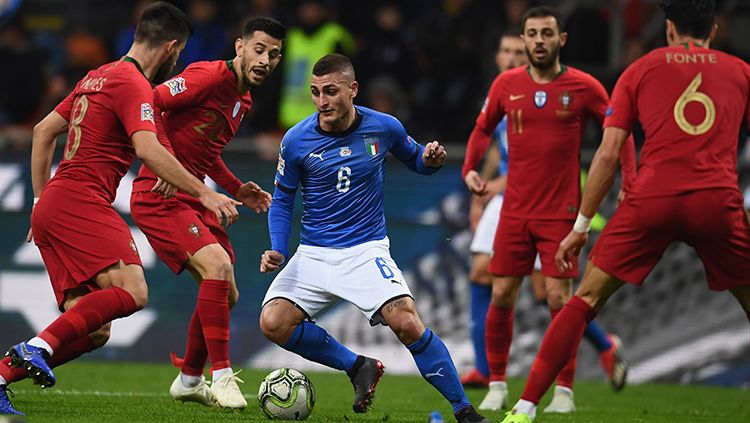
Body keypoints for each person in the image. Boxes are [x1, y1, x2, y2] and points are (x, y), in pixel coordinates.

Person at [501, 1, 750, 422]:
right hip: (717, 202)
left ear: (669, 28)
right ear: (715, 28)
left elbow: (609, 152)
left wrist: (580, 226)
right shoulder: (741, 72)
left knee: (583, 300)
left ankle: (523, 410)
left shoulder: (639, 69)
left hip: (652, 199)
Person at [0, 2, 240, 416]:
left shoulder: (96, 76)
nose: (177, 60)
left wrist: (40, 202)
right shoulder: (133, 82)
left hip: (54, 203)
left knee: (96, 331)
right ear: (171, 47)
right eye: (179, 54)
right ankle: (35, 346)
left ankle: (3, 374)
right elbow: (146, 147)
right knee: (132, 291)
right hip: (81, 199)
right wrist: (204, 193)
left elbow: (43, 132)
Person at [259, 54, 490, 423]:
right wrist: (276, 247)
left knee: (407, 322)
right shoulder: (296, 140)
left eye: (331, 92)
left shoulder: (384, 127)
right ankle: (358, 367)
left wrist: (430, 160)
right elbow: (283, 198)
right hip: (314, 252)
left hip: (365, 250)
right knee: (273, 322)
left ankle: (464, 411)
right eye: (315, 92)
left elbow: (415, 160)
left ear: (352, 90)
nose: (322, 101)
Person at [462, 6, 636, 414]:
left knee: (560, 300)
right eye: (532, 33)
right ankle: (498, 383)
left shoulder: (585, 86)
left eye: (546, 33)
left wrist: (631, 178)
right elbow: (483, 128)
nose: (539, 40)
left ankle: (565, 391)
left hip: (561, 213)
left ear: (562, 40)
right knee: (501, 293)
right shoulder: (507, 86)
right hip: (515, 211)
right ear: (524, 40)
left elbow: (619, 130)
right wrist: (470, 169)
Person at [129, 17, 285, 409]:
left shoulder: (242, 99)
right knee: (217, 266)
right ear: (240, 47)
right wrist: (164, 161)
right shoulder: (209, 76)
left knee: (226, 290)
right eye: (260, 49)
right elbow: (150, 102)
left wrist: (236, 188)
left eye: (275, 54)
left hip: (188, 194)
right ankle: (222, 377)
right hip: (158, 193)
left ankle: (189, 378)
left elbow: (207, 151)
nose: (266, 59)